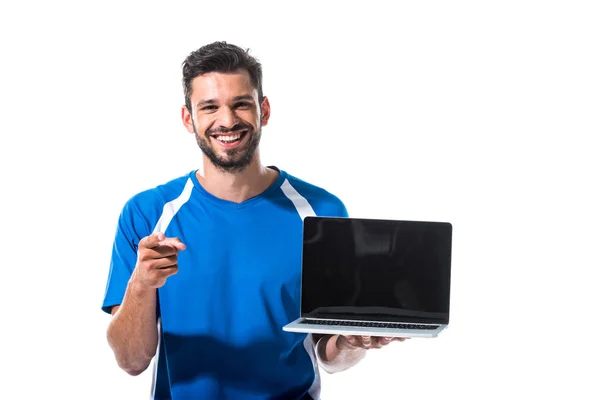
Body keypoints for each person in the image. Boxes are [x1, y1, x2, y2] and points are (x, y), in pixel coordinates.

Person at [102, 41, 405, 400]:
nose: (227, 121)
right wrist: (140, 284)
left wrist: (353, 341)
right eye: (210, 107)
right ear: (189, 118)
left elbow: (330, 354)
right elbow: (131, 361)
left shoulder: (321, 211)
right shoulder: (147, 214)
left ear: (264, 109)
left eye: (240, 104)